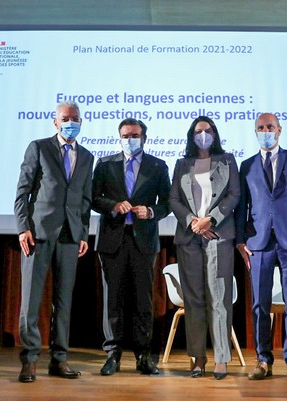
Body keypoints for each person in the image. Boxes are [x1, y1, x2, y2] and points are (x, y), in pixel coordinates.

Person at [14, 101, 94, 383]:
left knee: (64, 301)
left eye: (75, 118)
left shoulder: (87, 156)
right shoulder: (39, 147)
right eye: (65, 118)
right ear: (55, 121)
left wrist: (84, 233)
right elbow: (23, 191)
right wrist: (23, 227)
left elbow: (85, 199)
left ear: (81, 121)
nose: (71, 122)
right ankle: (30, 360)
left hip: (71, 235)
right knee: (31, 301)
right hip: (38, 233)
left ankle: (59, 360)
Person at [234, 113, 287, 382]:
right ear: (255, 132)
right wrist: (240, 240)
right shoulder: (246, 165)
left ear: (279, 130)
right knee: (260, 304)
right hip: (258, 243)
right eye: (260, 127)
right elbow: (241, 206)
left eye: (270, 127)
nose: (265, 131)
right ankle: (263, 360)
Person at [92, 118, 171, 376]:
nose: (129, 140)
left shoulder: (158, 166)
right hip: (112, 239)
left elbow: (168, 203)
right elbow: (93, 198)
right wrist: (113, 206)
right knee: (112, 299)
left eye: (134, 135)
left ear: (144, 138)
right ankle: (112, 354)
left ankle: (143, 355)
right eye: (125, 136)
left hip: (143, 240)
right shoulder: (105, 164)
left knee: (143, 300)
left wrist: (151, 211)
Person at [169, 116, 240, 380]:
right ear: (192, 135)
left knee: (219, 299)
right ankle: (198, 358)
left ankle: (221, 359)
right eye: (199, 131)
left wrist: (211, 219)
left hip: (218, 236)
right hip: (189, 237)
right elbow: (173, 199)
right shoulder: (182, 164)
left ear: (215, 134)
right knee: (194, 300)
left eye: (208, 130)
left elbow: (234, 194)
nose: (203, 135)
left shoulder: (227, 160)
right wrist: (193, 222)